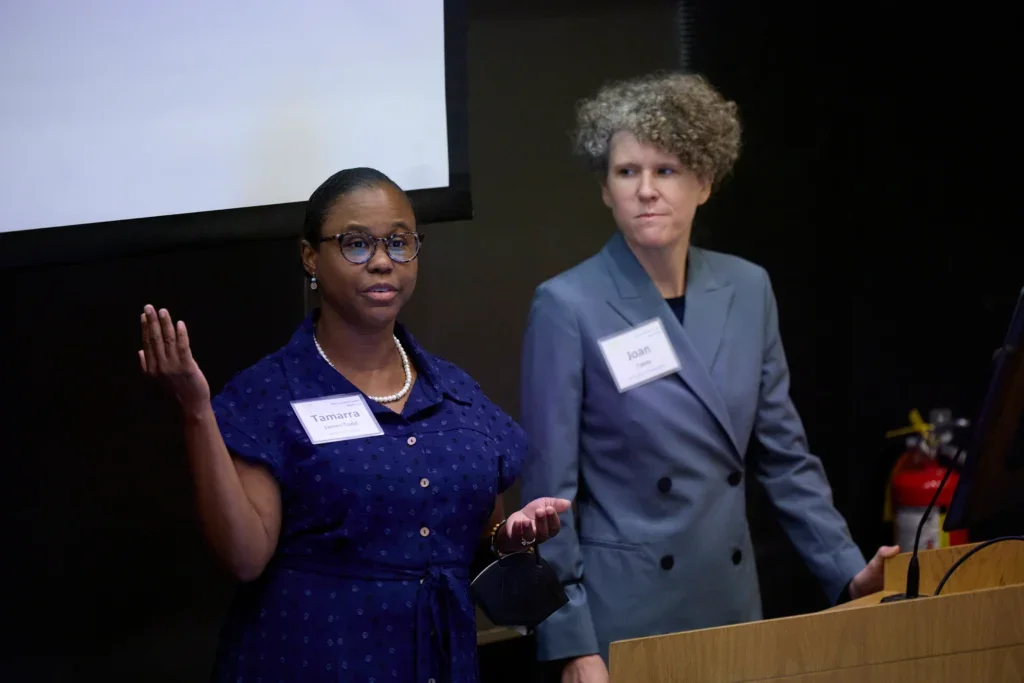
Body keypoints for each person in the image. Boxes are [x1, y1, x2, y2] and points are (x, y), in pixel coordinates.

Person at [518, 72, 899, 682]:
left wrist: (848, 571)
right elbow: (548, 498)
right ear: (605, 190)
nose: (645, 190)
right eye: (626, 172)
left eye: (666, 170)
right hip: (625, 617)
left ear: (705, 182)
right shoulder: (567, 305)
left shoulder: (748, 288)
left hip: (729, 601)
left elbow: (785, 459)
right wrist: (571, 642)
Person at [138, 167, 570, 683]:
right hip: (312, 660)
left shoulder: (457, 394)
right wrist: (196, 411)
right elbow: (244, 557)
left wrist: (511, 539)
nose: (383, 261)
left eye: (398, 242)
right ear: (310, 258)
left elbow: (480, 540)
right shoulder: (272, 394)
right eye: (356, 244)